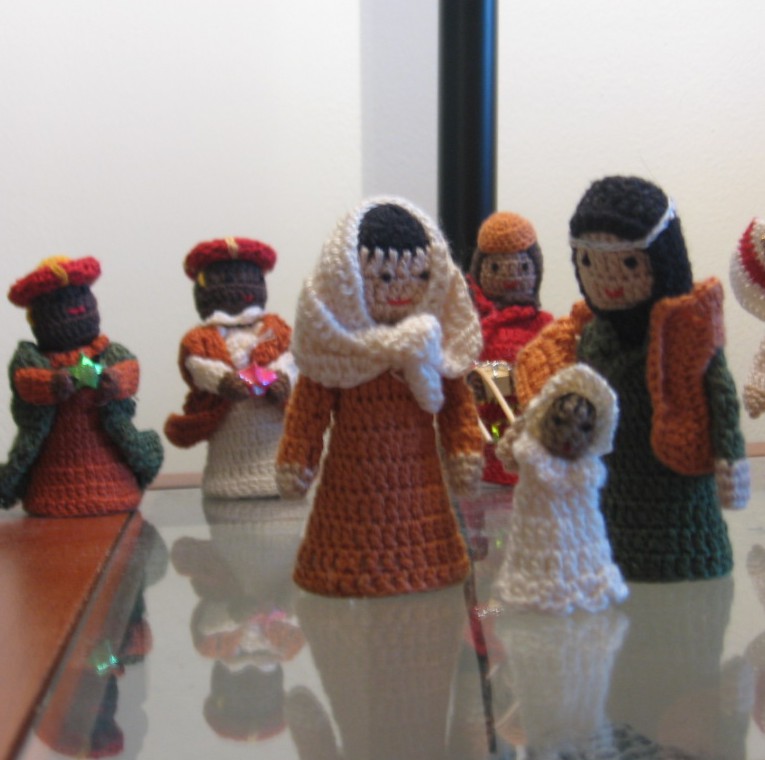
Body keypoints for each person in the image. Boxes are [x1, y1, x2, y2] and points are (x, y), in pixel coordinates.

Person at [516, 176, 749, 581]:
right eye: (589, 263)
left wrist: (729, 457)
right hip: (609, 512)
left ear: (663, 261)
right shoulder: (593, 337)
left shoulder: (690, 333)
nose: (608, 281)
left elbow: (722, 397)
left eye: (629, 264)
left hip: (682, 513)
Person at [276, 197, 484, 597]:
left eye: (420, 275)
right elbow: (308, 410)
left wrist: (464, 450)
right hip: (350, 494)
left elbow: (457, 406)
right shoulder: (337, 354)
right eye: (383, 277)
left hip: (420, 496)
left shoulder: (433, 349)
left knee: (426, 544)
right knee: (346, 549)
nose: (400, 290)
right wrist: (297, 458)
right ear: (348, 280)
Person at [0, 256, 163, 515]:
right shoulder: (31, 358)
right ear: (37, 318)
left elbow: (128, 371)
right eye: (60, 302)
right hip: (53, 475)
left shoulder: (108, 352)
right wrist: (59, 382)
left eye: (81, 297)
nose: (76, 308)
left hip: (110, 475)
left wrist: (110, 380)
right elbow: (27, 381)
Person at [165, 237, 294, 499]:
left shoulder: (274, 329)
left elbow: (289, 357)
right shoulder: (200, 338)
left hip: (272, 424)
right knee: (230, 446)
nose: (236, 285)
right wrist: (223, 381)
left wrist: (282, 377)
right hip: (228, 436)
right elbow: (198, 365)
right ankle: (231, 476)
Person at [494, 363, 627, 614]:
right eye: (559, 421)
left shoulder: (587, 471)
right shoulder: (531, 456)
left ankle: (584, 581)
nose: (569, 435)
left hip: (584, 552)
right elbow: (507, 456)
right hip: (534, 548)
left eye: (584, 428)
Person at [467, 211, 553, 485]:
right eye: (495, 268)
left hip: (533, 447)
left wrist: (503, 379)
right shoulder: (473, 326)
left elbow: (555, 374)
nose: (510, 276)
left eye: (523, 267)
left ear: (536, 272)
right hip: (486, 443)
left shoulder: (545, 326)